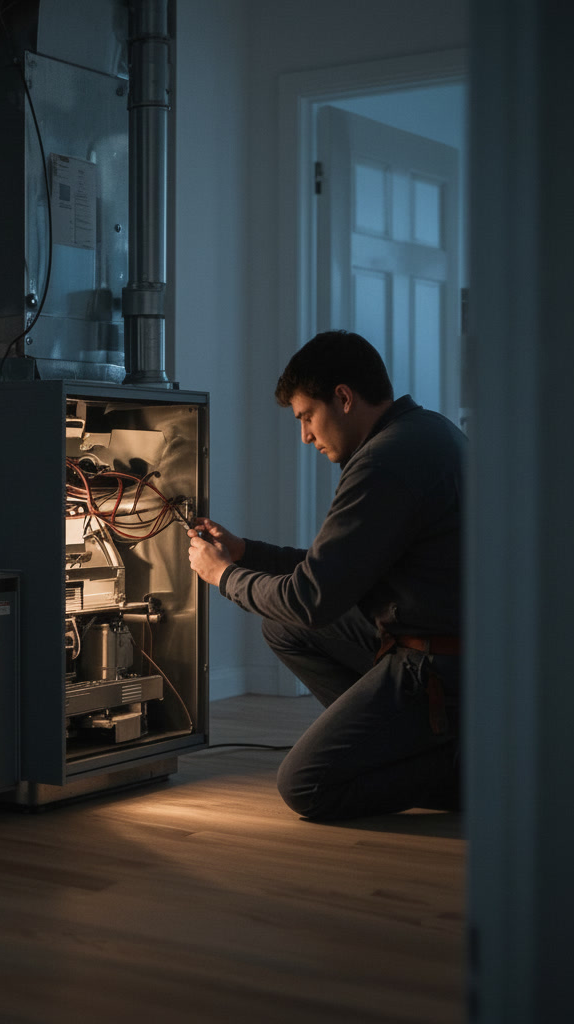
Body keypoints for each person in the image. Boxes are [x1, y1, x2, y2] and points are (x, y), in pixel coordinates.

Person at [187, 330, 465, 821]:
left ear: (343, 397)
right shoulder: (426, 432)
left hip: (439, 667)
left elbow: (312, 599)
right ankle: (390, 740)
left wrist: (224, 575)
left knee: (307, 785)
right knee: (282, 627)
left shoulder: (383, 462)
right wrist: (245, 552)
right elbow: (332, 571)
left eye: (306, 417)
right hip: (452, 646)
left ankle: (468, 769)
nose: (305, 436)